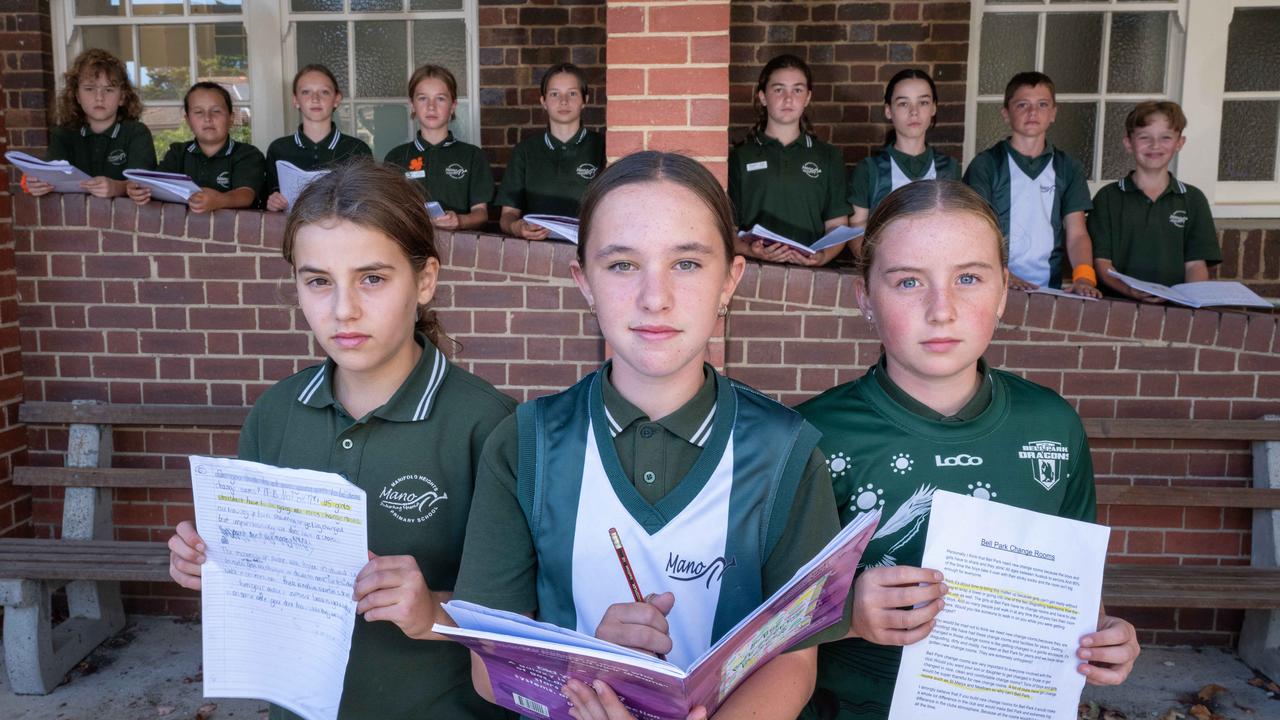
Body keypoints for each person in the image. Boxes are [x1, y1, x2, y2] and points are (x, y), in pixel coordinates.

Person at [452, 151, 844, 719]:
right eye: (621, 265)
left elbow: (794, 660)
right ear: (583, 281)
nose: (654, 297)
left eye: (686, 263)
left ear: (730, 279)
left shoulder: (786, 452)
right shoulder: (525, 444)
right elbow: (489, 666)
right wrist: (588, 668)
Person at [166, 158, 516, 720]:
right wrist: (215, 566)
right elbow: (263, 591)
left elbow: (526, 623)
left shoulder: (490, 426)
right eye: (318, 281)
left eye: (372, 278)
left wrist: (431, 610)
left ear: (425, 280)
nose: (343, 309)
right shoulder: (276, 415)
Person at [796, 179, 1140, 720]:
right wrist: (844, 612)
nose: (942, 309)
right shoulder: (812, 436)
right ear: (865, 295)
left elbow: (1075, 591)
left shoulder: (1052, 427)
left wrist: (1105, 636)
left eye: (969, 278)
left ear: (1004, 291)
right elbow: (759, 617)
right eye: (909, 281)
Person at [963, 72, 1101, 297]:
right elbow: (974, 229)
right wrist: (1002, 272)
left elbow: (1076, 233)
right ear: (1006, 114)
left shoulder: (1068, 167)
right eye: (1022, 105)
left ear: (1053, 113)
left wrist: (1084, 277)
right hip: (993, 286)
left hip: (1049, 289)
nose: (1032, 112)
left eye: (1042, 104)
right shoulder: (986, 164)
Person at [1088, 101, 1221, 299]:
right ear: (1128, 143)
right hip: (1116, 308)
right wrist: (1129, 291)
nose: (1155, 146)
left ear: (1179, 143)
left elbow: (1195, 265)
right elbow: (1102, 263)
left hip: (1175, 310)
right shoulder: (1108, 197)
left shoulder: (1193, 199)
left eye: (1165, 137)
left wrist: (1190, 300)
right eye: (1144, 137)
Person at [728, 54, 851, 266]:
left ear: (808, 97)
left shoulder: (829, 156)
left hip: (811, 278)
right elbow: (726, 227)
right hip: (754, 272)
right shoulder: (740, 157)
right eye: (778, 89)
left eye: (797, 89)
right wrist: (749, 250)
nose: (788, 98)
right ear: (763, 97)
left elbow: (837, 225)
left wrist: (823, 257)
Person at [847, 68, 959, 253]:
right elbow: (857, 225)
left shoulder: (949, 168)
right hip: (886, 273)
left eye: (923, 102)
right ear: (888, 110)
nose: (914, 112)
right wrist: (874, 268)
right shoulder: (870, 169)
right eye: (903, 104)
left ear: (933, 108)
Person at [496, 63, 605, 240]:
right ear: (543, 101)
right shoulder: (524, 151)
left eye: (572, 93)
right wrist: (516, 228)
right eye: (554, 94)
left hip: (587, 251)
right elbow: (507, 216)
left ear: (585, 100)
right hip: (537, 253)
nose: (563, 101)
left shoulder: (602, 147)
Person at [27, 47, 155, 198]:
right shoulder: (63, 134)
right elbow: (51, 178)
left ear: (122, 97)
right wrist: (38, 185)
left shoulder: (136, 133)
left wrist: (117, 187)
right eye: (89, 89)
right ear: (77, 96)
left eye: (108, 90)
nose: (99, 97)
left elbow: (145, 186)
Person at [384, 64, 493, 231]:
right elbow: (389, 211)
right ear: (412, 104)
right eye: (422, 98)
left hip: (463, 249)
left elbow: (481, 214)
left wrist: (460, 221)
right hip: (412, 248)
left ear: (453, 105)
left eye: (440, 98)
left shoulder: (472, 156)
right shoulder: (396, 157)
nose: (431, 106)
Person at [126, 81, 265, 213]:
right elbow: (157, 186)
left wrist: (220, 200)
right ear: (188, 121)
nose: (208, 118)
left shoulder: (247, 154)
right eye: (198, 112)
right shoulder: (177, 153)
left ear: (231, 118)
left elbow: (246, 195)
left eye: (216, 111)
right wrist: (140, 190)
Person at [263, 64, 372, 212]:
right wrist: (272, 202)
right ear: (295, 100)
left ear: (336, 99)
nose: (315, 99)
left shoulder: (357, 149)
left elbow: (366, 203)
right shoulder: (279, 149)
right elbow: (269, 199)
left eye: (324, 92)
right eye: (306, 92)